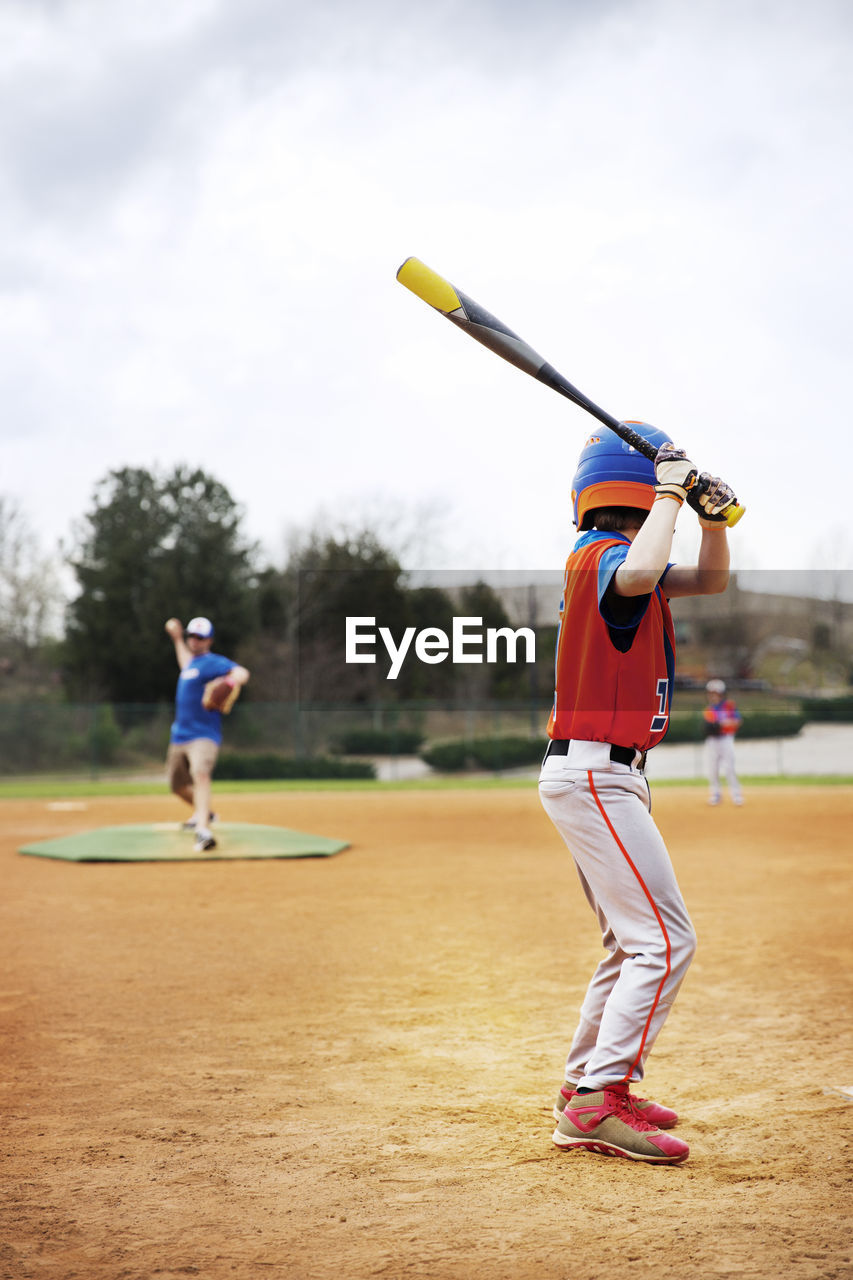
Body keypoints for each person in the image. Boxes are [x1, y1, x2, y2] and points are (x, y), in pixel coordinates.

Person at [539, 424, 738, 1165]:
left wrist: (708, 518)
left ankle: (582, 1088)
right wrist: (671, 494)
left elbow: (708, 579)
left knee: (631, 943)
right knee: (663, 940)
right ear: (636, 487)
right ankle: (600, 1099)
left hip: (604, 774)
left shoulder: (632, 559)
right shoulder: (602, 557)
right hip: (597, 772)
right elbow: (638, 569)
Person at [164, 615, 250, 852]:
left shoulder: (213, 662)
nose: (195, 641)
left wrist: (231, 682)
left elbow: (242, 672)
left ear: (209, 640)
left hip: (203, 735)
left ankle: (203, 830)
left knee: (200, 774)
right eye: (192, 636)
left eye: (200, 637)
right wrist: (177, 638)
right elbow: (184, 661)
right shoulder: (191, 665)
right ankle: (207, 814)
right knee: (177, 786)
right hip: (179, 736)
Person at [703, 678, 743, 806]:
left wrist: (722, 724)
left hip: (726, 739)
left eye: (715, 692)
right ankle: (716, 795)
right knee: (713, 769)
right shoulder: (709, 709)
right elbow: (710, 726)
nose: (713, 695)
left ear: (721, 693)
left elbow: (737, 721)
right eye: (711, 693)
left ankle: (736, 795)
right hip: (713, 741)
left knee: (729, 768)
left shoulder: (729, 706)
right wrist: (719, 725)